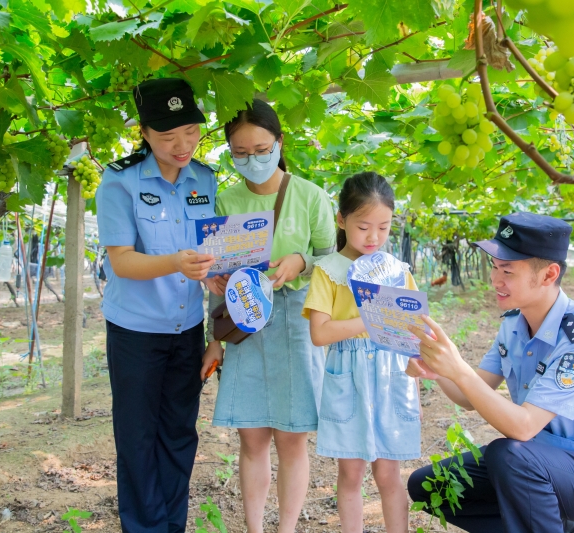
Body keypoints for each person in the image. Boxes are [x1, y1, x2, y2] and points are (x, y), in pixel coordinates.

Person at [406, 212, 574, 533]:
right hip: (541, 460)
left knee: (509, 454)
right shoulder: (514, 325)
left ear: (548, 274)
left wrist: (460, 369)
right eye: (494, 267)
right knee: (430, 486)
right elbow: (468, 397)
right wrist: (436, 365)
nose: (495, 279)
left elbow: (524, 427)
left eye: (508, 270)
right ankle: (555, 523)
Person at [201, 99, 337, 533]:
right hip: (243, 320)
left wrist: (301, 260)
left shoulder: (311, 196)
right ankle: (255, 529)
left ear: (279, 143)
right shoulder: (225, 198)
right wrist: (214, 327)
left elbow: (334, 262)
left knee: (293, 438)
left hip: (296, 320)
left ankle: (287, 528)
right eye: (240, 153)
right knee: (252, 437)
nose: (252, 160)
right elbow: (215, 266)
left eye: (261, 150)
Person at [95, 77, 219, 533]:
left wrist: (219, 332)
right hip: (136, 334)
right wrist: (174, 262)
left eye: (190, 131)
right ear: (145, 133)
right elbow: (121, 263)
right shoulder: (120, 181)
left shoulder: (205, 179)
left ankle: (172, 525)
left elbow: (217, 258)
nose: (182, 144)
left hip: (187, 331)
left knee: (179, 435)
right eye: (168, 136)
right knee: (137, 438)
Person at [302, 172, 420, 533]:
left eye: (383, 228)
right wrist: (373, 320)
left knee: (389, 472)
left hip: (390, 376)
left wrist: (416, 367)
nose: (373, 237)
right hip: (348, 379)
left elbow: (414, 328)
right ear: (341, 220)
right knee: (350, 472)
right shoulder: (329, 271)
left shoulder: (398, 271)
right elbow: (320, 333)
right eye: (364, 226)